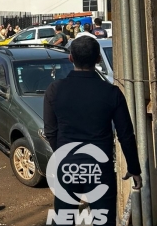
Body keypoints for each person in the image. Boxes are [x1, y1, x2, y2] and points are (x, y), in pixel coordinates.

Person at [43, 36, 142, 226]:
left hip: (67, 167)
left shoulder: (54, 90)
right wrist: (134, 169)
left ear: (70, 58)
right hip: (99, 167)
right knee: (103, 220)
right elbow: (125, 134)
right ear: (98, 59)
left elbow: (51, 131)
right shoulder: (111, 93)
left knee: (64, 219)